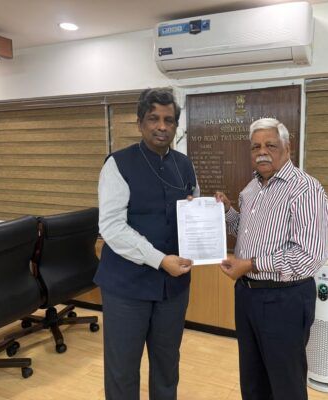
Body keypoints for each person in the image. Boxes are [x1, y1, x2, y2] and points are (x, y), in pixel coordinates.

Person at [215, 118, 328, 400]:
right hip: (247, 296)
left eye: (270, 145)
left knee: (285, 384)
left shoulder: (305, 189)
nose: (262, 152)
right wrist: (228, 212)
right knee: (253, 380)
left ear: (287, 148)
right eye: (255, 147)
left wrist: (251, 264)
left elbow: (310, 256)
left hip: (284, 299)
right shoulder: (251, 189)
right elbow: (246, 231)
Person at [94, 88, 199, 400]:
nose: (162, 126)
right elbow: (111, 227)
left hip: (173, 288)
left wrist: (209, 211)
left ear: (176, 125)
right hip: (126, 288)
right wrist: (159, 259)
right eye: (154, 119)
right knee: (123, 369)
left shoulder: (184, 165)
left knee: (167, 365)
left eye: (169, 120)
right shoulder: (117, 164)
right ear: (140, 123)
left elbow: (191, 213)